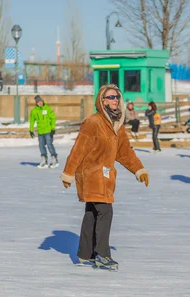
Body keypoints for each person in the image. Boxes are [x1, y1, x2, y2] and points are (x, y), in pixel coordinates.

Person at [60, 84, 149, 271]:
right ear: (102, 101)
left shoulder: (118, 125)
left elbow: (125, 153)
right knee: (105, 211)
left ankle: (85, 254)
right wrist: (68, 173)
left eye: (117, 96)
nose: (114, 100)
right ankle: (102, 253)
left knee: (92, 213)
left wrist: (139, 170)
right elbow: (78, 149)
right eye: (110, 97)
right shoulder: (93, 122)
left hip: (106, 176)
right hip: (91, 174)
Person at [29, 95, 58, 168]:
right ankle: (44, 160)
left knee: (49, 144)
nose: (40, 103)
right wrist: (31, 130)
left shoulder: (48, 109)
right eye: (38, 102)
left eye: (41, 101)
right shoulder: (34, 111)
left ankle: (54, 158)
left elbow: (53, 118)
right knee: (41, 146)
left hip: (48, 131)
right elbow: (32, 121)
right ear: (36, 103)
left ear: (43, 101)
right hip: (40, 132)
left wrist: (53, 128)